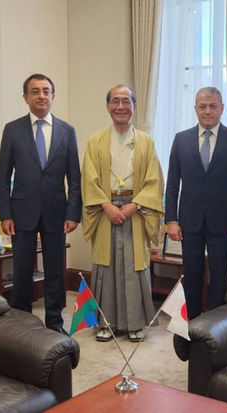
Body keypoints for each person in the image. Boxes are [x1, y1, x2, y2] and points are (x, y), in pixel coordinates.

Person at [0, 74, 81, 334]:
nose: (41, 96)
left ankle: (54, 323)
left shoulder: (67, 131)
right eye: (35, 91)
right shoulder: (13, 130)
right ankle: (23, 325)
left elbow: (74, 177)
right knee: (22, 270)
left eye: (46, 91)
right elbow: (3, 175)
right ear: (26, 97)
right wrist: (5, 214)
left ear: (53, 96)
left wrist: (73, 212)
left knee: (55, 271)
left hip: (56, 211)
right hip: (21, 211)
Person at [81, 85, 163, 342]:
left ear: (134, 106)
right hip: (105, 211)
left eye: (126, 101)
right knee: (105, 267)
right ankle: (107, 323)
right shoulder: (95, 141)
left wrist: (133, 206)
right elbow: (89, 179)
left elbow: (154, 180)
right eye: (115, 101)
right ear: (108, 107)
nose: (120, 107)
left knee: (135, 266)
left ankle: (136, 323)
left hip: (135, 210)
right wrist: (107, 206)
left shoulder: (146, 142)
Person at [165, 87, 227, 320]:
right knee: (191, 275)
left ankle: (215, 327)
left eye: (213, 106)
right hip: (189, 221)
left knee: (219, 277)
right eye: (202, 106)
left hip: (224, 222)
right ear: (195, 109)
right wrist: (171, 219)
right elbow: (172, 183)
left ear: (222, 108)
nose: (207, 111)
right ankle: (192, 324)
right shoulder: (181, 139)